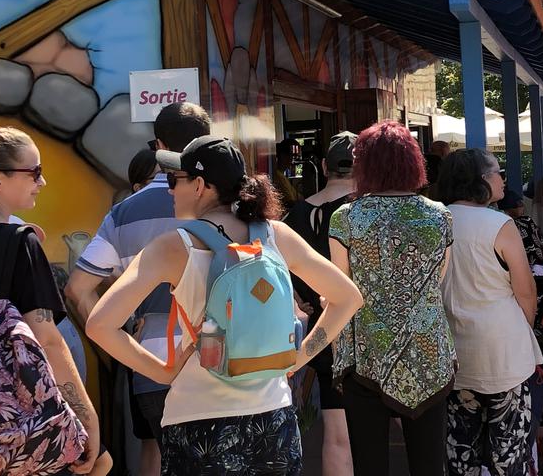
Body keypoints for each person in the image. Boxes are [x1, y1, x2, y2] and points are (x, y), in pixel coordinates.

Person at [86, 136, 363, 475]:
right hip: (274, 418)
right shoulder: (275, 235)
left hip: (198, 422)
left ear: (200, 185)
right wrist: (299, 357)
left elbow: (100, 324)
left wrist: (162, 371)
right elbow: (348, 297)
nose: (170, 191)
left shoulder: (174, 246)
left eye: (176, 180)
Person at [65, 102, 211, 476]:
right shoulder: (230, 202)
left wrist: (122, 343)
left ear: (158, 146)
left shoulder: (124, 212)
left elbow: (78, 289)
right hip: (231, 358)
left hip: (153, 362)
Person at [0, 127, 101, 473]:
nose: (41, 183)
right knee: (99, 463)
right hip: (12, 421)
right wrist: (85, 414)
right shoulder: (16, 242)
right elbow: (47, 340)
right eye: (34, 173)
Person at [328, 120, 455, 476]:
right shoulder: (440, 215)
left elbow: (342, 291)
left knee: (370, 466)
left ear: (364, 165)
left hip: (365, 357)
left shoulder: (346, 218)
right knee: (429, 466)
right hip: (428, 357)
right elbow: (436, 282)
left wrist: (328, 351)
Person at [437, 148, 542, 476]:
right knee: (508, 456)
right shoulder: (499, 223)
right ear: (480, 180)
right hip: (504, 350)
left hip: (453, 350)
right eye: (497, 171)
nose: (503, 178)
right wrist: (525, 331)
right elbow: (526, 291)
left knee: (460, 455)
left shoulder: (435, 220)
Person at [283, 131, 357, 476]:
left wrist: (300, 299)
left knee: (337, 435)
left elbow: (278, 268)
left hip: (321, 331)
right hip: (370, 329)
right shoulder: (369, 213)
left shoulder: (295, 215)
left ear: (325, 166)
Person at [498, 187, 543, 266]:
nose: (522, 206)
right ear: (508, 209)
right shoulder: (512, 223)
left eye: (521, 203)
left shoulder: (526, 220)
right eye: (518, 204)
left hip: (533, 263)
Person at [274, 138, 302, 210]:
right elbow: (290, 203)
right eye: (293, 156)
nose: (294, 161)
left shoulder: (282, 175)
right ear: (283, 156)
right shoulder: (278, 177)